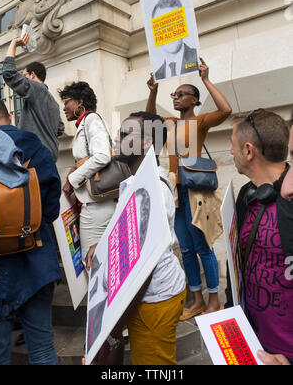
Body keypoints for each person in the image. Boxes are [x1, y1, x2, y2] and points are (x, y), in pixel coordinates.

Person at [85, 111, 186, 365]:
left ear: (146, 142)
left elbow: (143, 267)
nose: (116, 139)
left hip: (154, 300)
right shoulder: (136, 182)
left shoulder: (153, 190)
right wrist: (102, 246)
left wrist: (115, 324)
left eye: (124, 134)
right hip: (145, 299)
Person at [146, 58, 232, 319]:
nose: (176, 97)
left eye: (181, 94)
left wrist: (206, 79)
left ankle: (214, 300)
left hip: (197, 192)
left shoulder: (201, 122)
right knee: (185, 248)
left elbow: (226, 109)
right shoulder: (169, 122)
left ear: (194, 100)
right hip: (176, 193)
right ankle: (196, 300)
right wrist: (153, 91)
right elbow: (149, 119)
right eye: (174, 94)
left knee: (202, 246)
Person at [0, 98, 62, 365]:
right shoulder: (35, 147)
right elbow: (51, 211)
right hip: (36, 260)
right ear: (9, 116)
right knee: (42, 349)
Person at [228, 108, 293, 364]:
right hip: (252, 340)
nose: (230, 152)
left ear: (248, 150)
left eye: (233, 146)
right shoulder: (247, 194)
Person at [58, 81, 116, 262]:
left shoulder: (92, 120)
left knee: (91, 262)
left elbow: (102, 156)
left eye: (67, 101)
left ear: (80, 102)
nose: (64, 107)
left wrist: (72, 180)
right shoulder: (86, 122)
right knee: (102, 260)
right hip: (95, 202)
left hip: (96, 205)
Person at [2, 33, 64, 162]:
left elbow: (9, 74)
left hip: (35, 156)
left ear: (33, 75)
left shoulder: (36, 89)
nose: (23, 79)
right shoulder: (54, 103)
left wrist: (13, 43)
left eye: (24, 75)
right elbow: (60, 129)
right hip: (49, 158)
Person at [151, 0, 198, 81]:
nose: (169, 33)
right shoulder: (157, 76)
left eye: (174, 24)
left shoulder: (197, 58)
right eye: (162, 27)